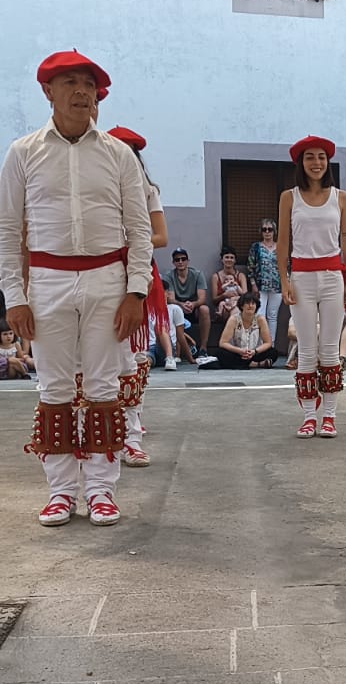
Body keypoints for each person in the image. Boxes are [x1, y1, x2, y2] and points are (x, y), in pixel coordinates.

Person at [0, 50, 152, 526]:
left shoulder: (118, 154)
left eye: (88, 83)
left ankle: (102, 489)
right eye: (70, 82)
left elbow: (140, 228)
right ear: (48, 91)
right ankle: (62, 491)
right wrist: (14, 297)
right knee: (54, 387)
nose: (81, 91)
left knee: (104, 385)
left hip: (108, 279)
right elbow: (7, 229)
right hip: (46, 281)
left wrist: (136, 291)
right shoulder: (23, 152)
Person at [277, 135, 346, 438]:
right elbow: (283, 241)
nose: (316, 162)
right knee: (307, 349)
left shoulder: (341, 197)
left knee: (330, 350)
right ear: (301, 162)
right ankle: (310, 415)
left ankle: (330, 416)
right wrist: (284, 280)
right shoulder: (289, 197)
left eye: (321, 157)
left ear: (328, 162)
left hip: (333, 277)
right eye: (310, 157)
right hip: (302, 278)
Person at [106, 126, 169, 468]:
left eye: (128, 150)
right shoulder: (96, 186)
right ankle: (105, 430)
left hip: (136, 273)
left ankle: (131, 434)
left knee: (133, 352)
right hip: (99, 274)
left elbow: (160, 236)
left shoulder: (147, 190)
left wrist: (128, 242)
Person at [167, 249, 215, 364]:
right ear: (173, 262)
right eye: (177, 260)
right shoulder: (169, 276)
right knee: (173, 309)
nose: (180, 262)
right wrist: (181, 304)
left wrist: (193, 304)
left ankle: (203, 348)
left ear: (188, 261)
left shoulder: (197, 274)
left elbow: (202, 298)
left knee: (204, 309)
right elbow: (170, 299)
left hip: (194, 308)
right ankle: (176, 352)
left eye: (183, 259)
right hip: (178, 308)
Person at [216, 293, 277, 368]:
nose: (250, 306)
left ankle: (242, 364)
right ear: (242, 306)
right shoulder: (233, 319)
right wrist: (239, 351)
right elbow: (223, 343)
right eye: (247, 303)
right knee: (220, 353)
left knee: (273, 352)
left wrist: (254, 351)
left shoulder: (260, 319)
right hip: (238, 353)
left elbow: (268, 343)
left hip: (255, 353)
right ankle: (256, 364)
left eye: (253, 303)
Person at [246, 218, 282, 336]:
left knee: (273, 316)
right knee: (260, 314)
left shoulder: (280, 247)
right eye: (264, 229)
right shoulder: (256, 247)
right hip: (260, 286)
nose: (267, 232)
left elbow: (286, 266)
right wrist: (253, 284)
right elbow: (250, 266)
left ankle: (271, 343)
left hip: (277, 286)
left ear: (274, 231)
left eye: (269, 229)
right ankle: (260, 342)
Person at [210, 246, 247, 318]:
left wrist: (235, 298)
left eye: (232, 258)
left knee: (235, 310)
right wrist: (224, 295)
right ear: (222, 259)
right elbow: (214, 300)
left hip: (237, 304)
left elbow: (245, 296)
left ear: (235, 260)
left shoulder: (241, 276)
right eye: (226, 257)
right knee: (227, 311)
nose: (229, 260)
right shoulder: (216, 277)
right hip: (223, 305)